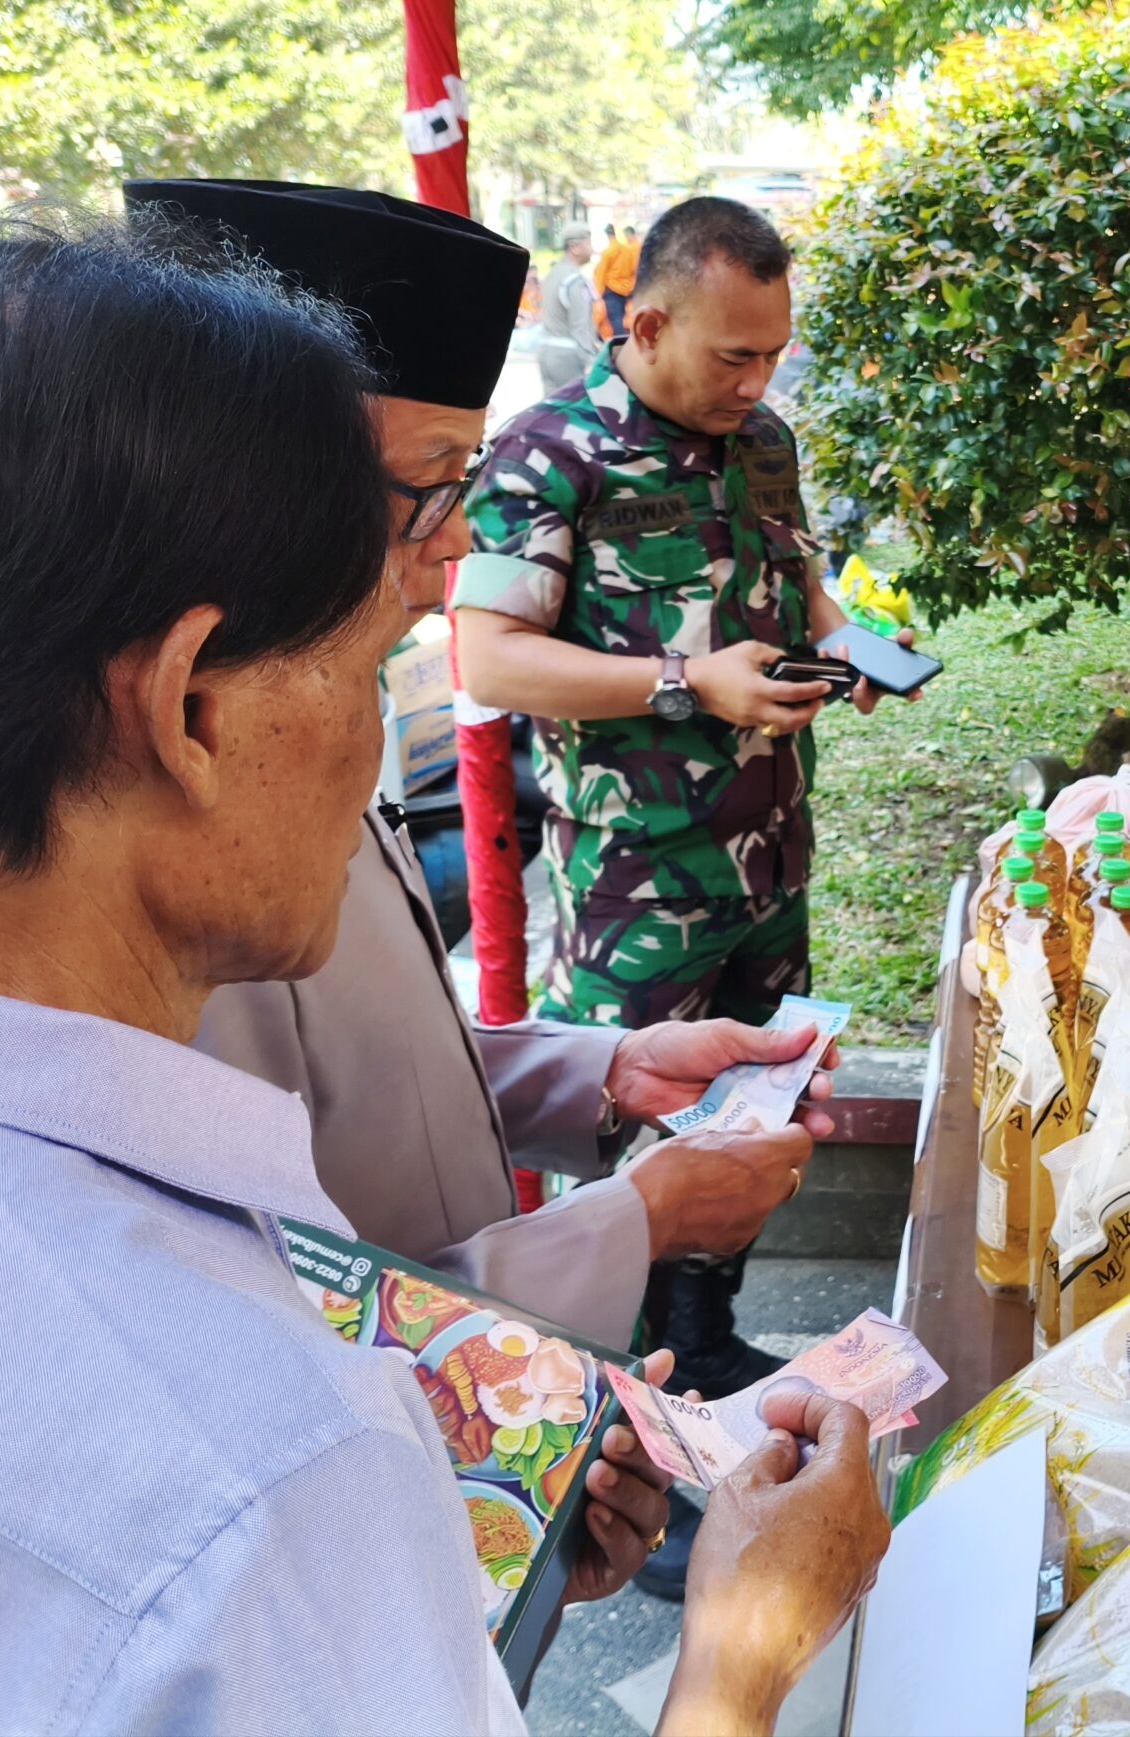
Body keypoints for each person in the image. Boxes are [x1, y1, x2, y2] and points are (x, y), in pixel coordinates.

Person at [0, 223, 887, 1733]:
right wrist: (744, 1649)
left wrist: (588, 1091)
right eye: (372, 666)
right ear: (190, 709)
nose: (380, 741)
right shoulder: (269, 1475)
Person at [127, 183, 832, 1603]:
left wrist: (605, 1070)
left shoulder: (311, 717)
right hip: (386, 1509)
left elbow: (388, 1049)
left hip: (476, 1458)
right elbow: (308, 1305)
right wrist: (634, 1217)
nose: (455, 556)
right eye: (433, 490)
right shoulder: (172, 854)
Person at [459, 195, 922, 1397]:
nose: (757, 379)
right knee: (632, 1152)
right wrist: (685, 684)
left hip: (769, 863)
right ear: (649, 322)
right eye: (733, 354)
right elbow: (490, 658)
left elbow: (796, 583)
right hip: (635, 877)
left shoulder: (764, 440)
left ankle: (704, 1351)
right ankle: (610, 1426)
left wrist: (852, 645)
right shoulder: (552, 452)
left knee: (755, 1125)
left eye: (772, 351)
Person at [540, 219, 602, 393]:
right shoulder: (575, 281)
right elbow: (579, 326)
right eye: (588, 243)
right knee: (576, 413)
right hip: (568, 357)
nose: (592, 248)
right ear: (575, 247)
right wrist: (590, 360)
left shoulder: (553, 274)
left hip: (546, 351)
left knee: (552, 412)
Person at [597, 211, 642, 337]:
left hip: (612, 289)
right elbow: (634, 268)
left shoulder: (608, 252)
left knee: (616, 319)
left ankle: (619, 344)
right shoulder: (627, 250)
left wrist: (599, 293)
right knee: (625, 316)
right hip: (627, 288)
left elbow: (601, 274)